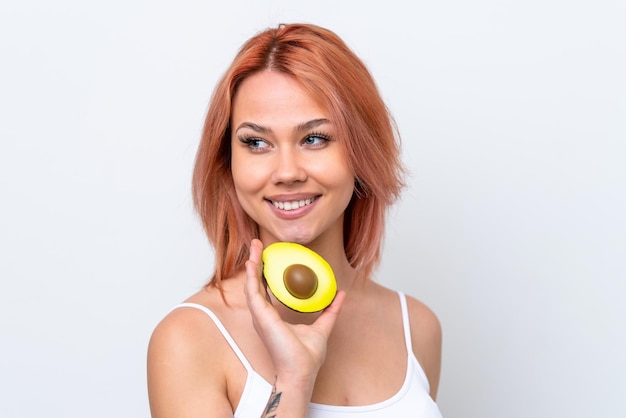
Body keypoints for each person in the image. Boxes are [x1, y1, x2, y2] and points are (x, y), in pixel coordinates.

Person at [147, 23, 443, 418]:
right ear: (228, 163)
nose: (287, 172)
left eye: (315, 138)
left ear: (361, 150)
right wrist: (292, 379)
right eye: (256, 142)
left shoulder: (416, 327)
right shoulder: (189, 339)